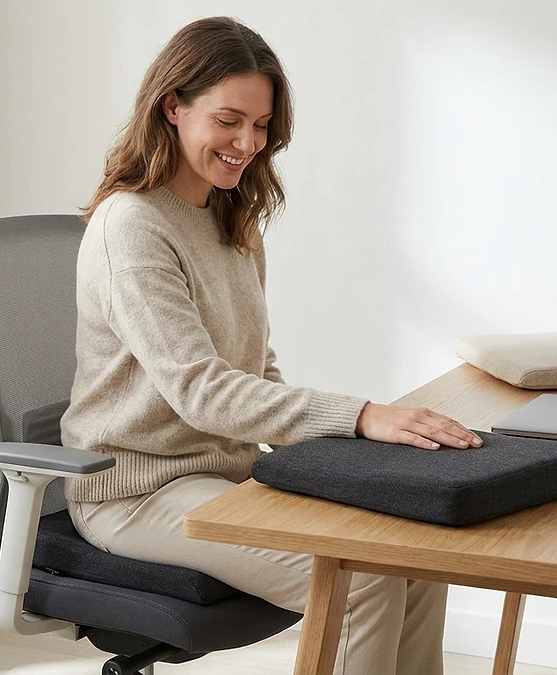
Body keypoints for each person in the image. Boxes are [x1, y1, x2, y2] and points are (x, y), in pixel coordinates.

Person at [60, 16, 483, 675]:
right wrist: (361, 414)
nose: (247, 143)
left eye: (260, 127)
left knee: (414, 547)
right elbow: (203, 390)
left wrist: (350, 453)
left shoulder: (230, 216)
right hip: (135, 492)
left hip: (225, 474)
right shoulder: (132, 227)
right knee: (360, 579)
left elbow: (258, 371)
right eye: (230, 120)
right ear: (173, 105)